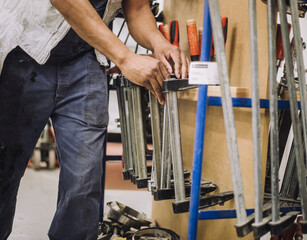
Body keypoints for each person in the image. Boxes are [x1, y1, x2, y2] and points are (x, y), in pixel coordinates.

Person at [0, 0, 189, 239]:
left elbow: (138, 7)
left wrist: (159, 43)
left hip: (85, 60)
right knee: (4, 170)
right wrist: (126, 58)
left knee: (84, 179)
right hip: (24, 49)